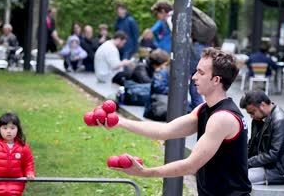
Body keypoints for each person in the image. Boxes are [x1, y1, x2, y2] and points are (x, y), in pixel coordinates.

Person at [98, 48, 252, 195]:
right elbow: (165, 131)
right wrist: (119, 122)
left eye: (201, 72)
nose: (194, 77)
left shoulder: (223, 118)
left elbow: (191, 165)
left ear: (216, 80)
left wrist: (145, 173)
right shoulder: (204, 109)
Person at [240, 90, 284, 185]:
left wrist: (247, 162)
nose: (251, 116)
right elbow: (252, 145)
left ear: (262, 105)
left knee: (236, 178)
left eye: (252, 112)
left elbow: (273, 155)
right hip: (265, 165)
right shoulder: (259, 119)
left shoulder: (280, 121)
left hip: (279, 171)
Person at [143, 49, 171, 121]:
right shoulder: (161, 72)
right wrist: (173, 91)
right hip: (156, 107)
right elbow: (158, 87)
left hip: (155, 106)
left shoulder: (161, 71)